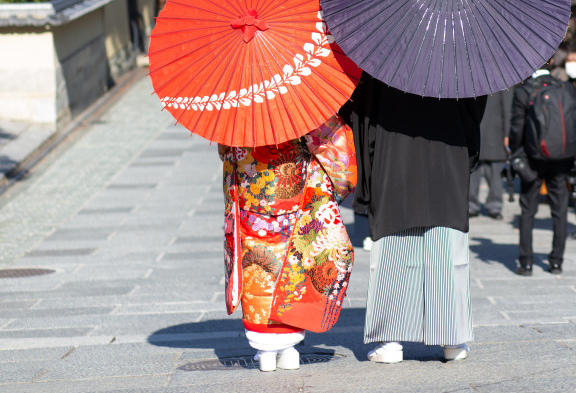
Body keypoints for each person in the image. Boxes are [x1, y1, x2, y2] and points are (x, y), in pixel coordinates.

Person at [341, 73, 486, 364]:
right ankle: (451, 339)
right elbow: (474, 111)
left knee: (394, 249)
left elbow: (364, 118)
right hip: (448, 156)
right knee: (446, 249)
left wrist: (368, 178)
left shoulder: (383, 60)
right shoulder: (457, 56)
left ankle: (391, 340)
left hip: (394, 158)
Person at [219, 113, 356, 371]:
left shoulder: (237, 101)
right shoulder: (297, 94)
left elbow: (224, 148)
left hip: (252, 198)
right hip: (293, 192)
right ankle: (289, 348)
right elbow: (332, 145)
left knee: (256, 267)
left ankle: (265, 350)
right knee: (292, 263)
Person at [509, 60, 576, 275]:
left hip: (533, 157)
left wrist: (515, 152)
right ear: (552, 63)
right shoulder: (565, 88)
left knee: (528, 209)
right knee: (560, 209)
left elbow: (517, 128)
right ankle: (556, 262)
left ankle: (526, 262)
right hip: (562, 157)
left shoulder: (524, 91)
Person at [469, 89, 513, 219]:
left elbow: (507, 109)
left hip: (493, 133)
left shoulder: (497, 83)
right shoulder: (501, 83)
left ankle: (489, 205)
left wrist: (507, 134)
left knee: (494, 174)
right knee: (477, 173)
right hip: (486, 132)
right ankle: (479, 205)